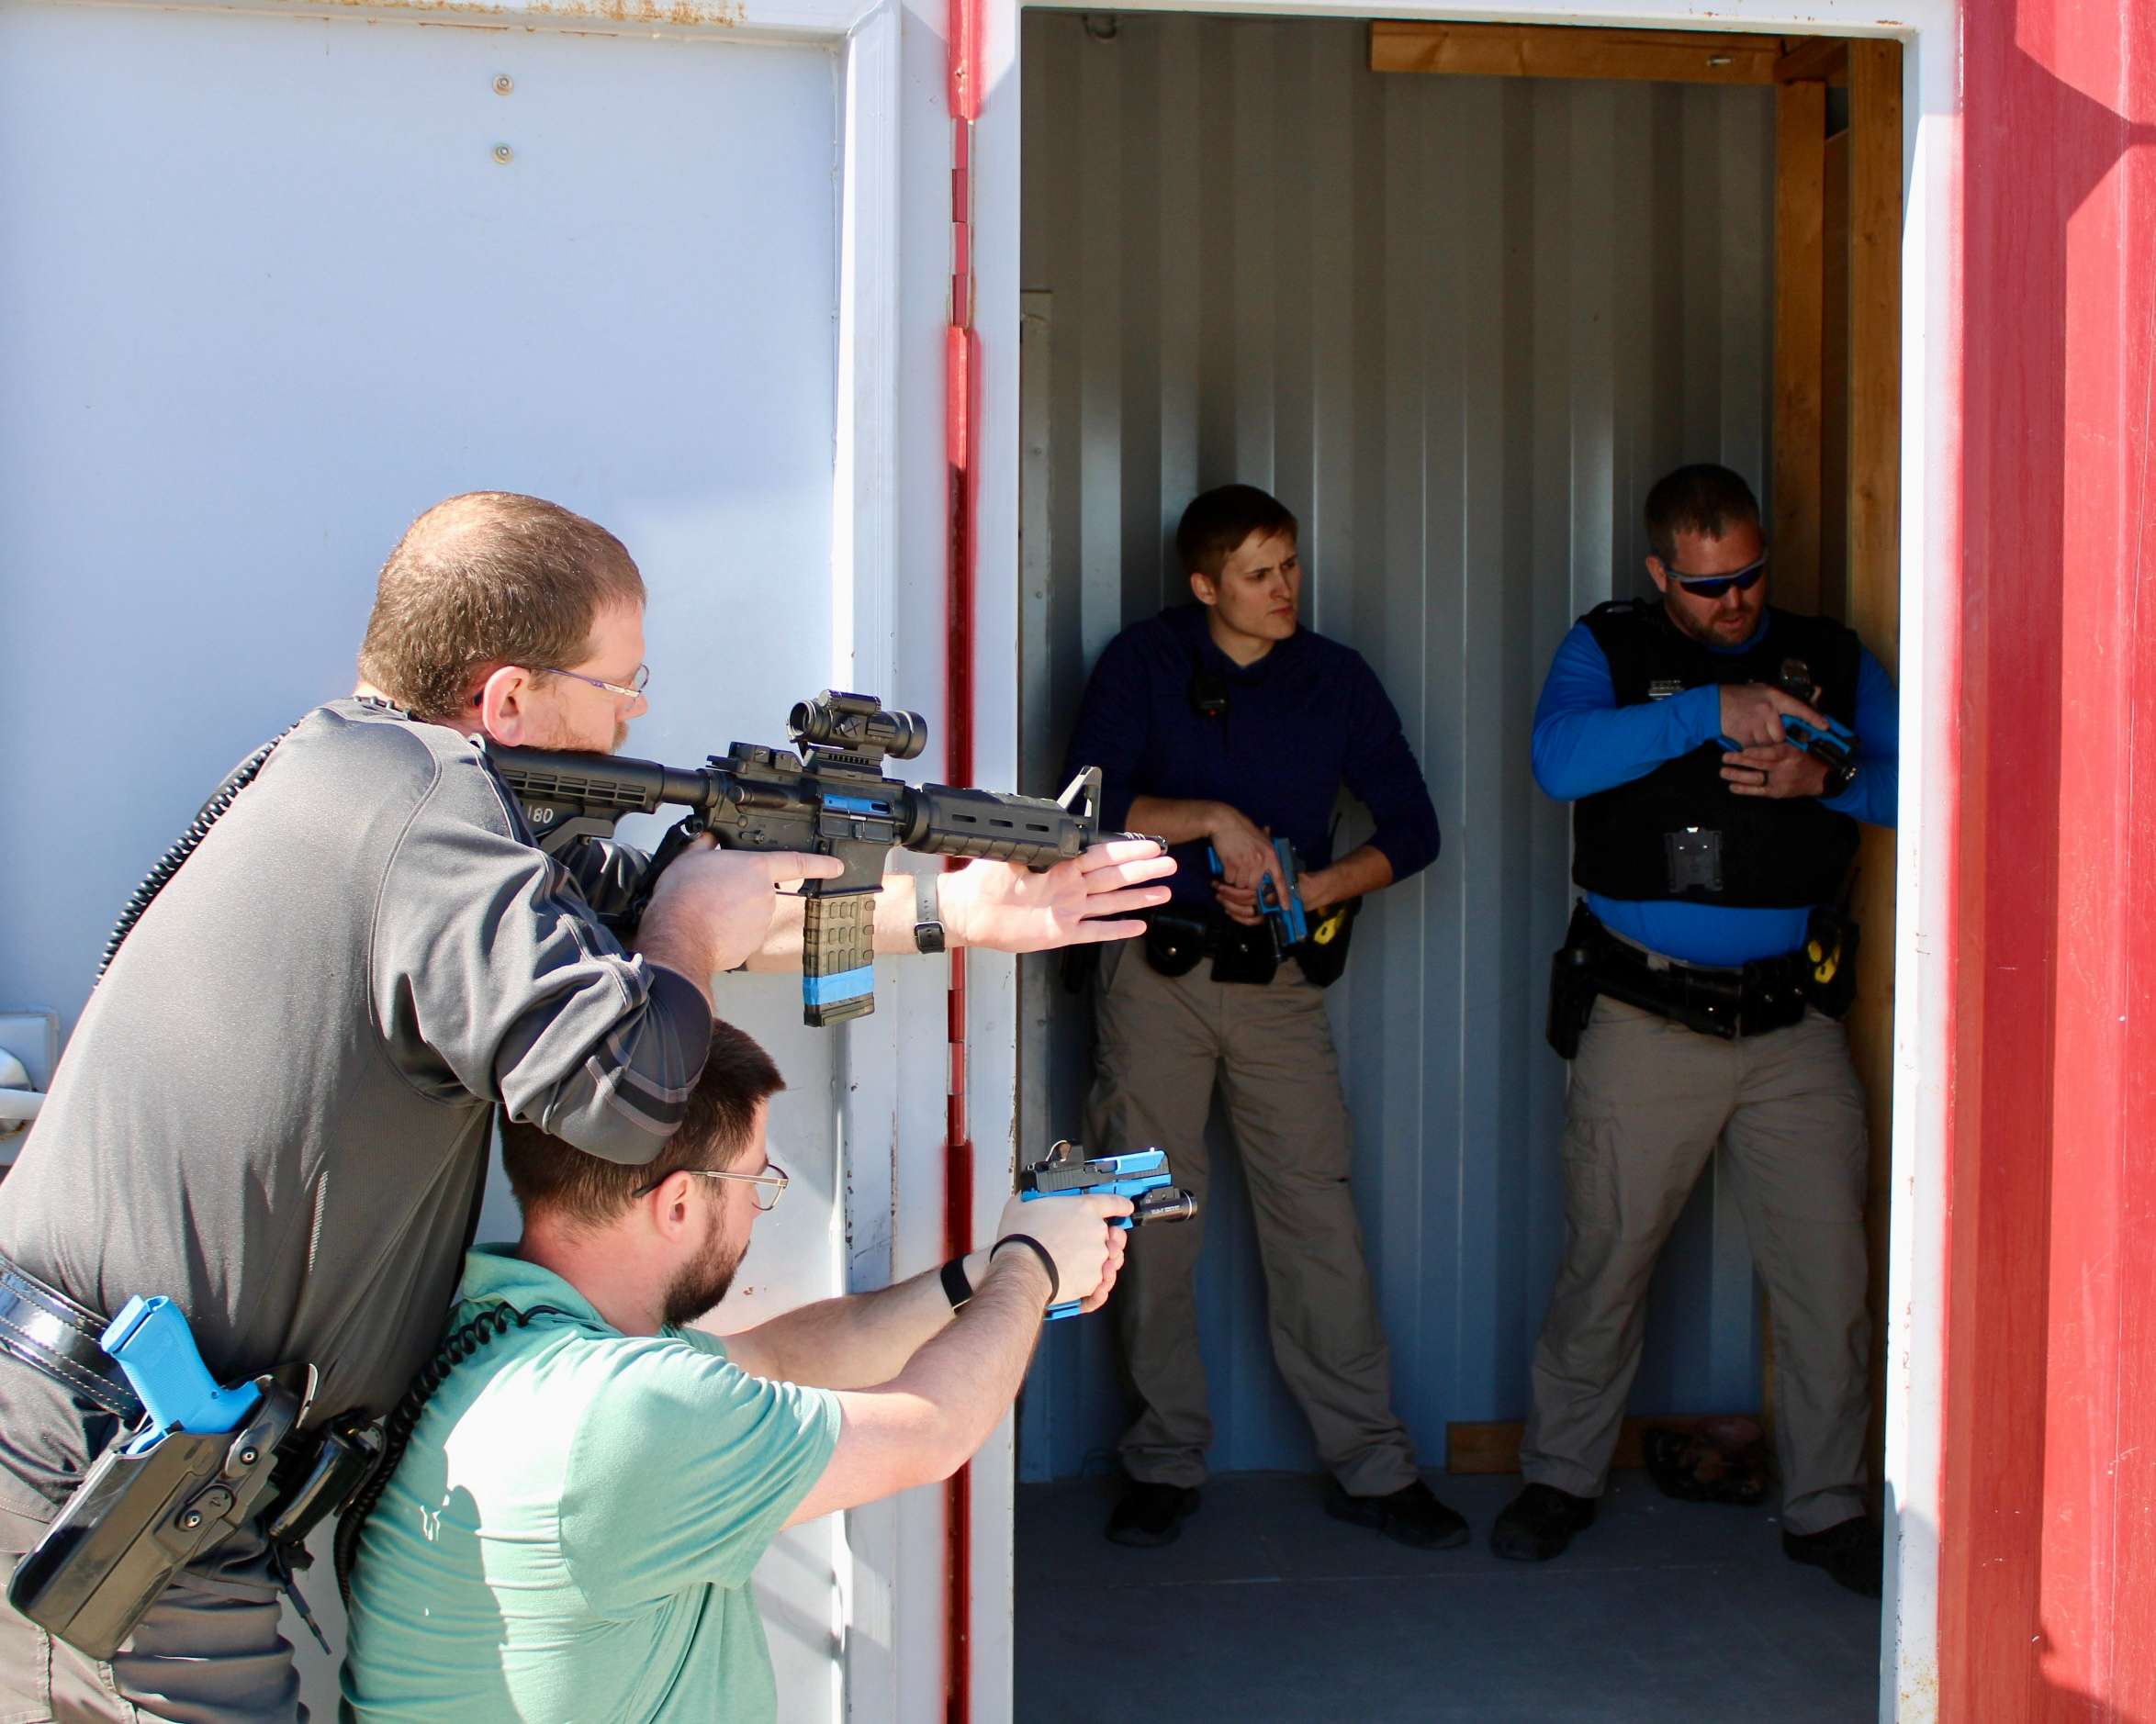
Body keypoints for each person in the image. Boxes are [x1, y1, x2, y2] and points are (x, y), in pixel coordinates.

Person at [0, 492, 1172, 1721]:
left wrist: (961, 911)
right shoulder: (427, 808)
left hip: (128, 1453)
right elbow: (628, 1082)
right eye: (618, 681)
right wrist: (688, 930)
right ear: (508, 699)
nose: (637, 713)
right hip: (108, 1462)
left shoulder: (368, 779)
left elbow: (634, 926)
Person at [339, 1017, 1128, 1721]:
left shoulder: (512, 1332)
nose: (758, 1206)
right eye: (754, 1181)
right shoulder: (624, 1415)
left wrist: (982, 1274)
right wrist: (1033, 1267)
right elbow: (934, 1429)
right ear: (679, 1203)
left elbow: (781, 1357)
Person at [1493, 463, 1897, 1596]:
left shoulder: (1823, 648)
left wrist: (1826, 780)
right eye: (1710, 587)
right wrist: (1704, 711)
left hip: (1790, 1022)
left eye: (1750, 578)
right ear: (1658, 572)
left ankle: (1826, 1507)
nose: (1737, 606)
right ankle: (1560, 1477)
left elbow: (1921, 782)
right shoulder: (1610, 647)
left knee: (1828, 1277)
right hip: (1643, 1014)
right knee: (1605, 1262)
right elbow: (1557, 761)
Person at [1065, 483, 1461, 1551]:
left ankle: (1373, 1467)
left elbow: (1414, 828)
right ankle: (1160, 1460)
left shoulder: (1334, 679)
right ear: (1204, 587)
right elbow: (1083, 806)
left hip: (1278, 986)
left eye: (1289, 566)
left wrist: (1314, 889)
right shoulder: (1143, 663)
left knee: (1316, 1223)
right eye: (1258, 574)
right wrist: (1214, 823)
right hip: (1154, 977)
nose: (1284, 589)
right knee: (1150, 1220)